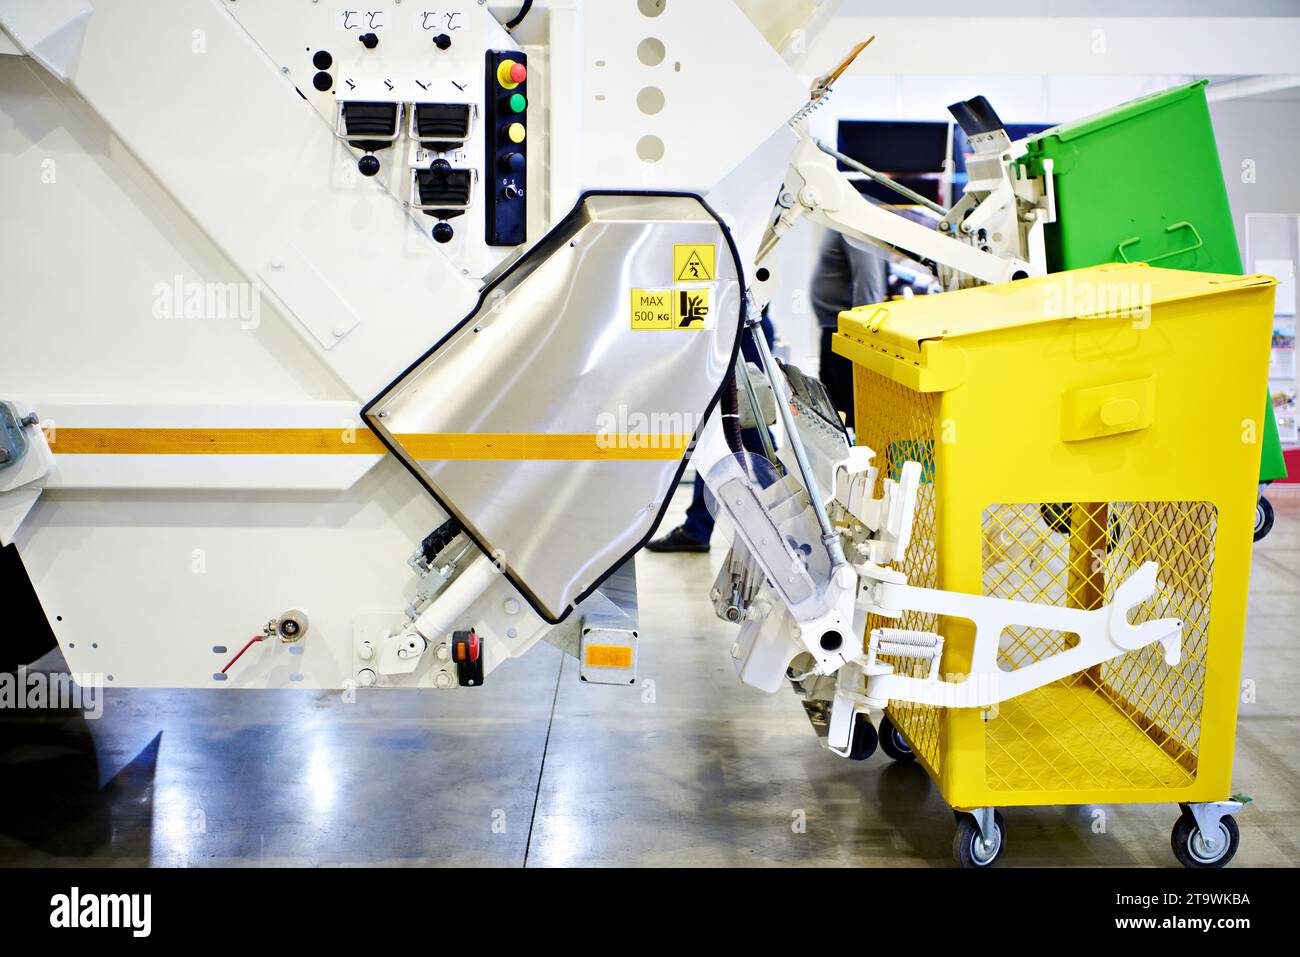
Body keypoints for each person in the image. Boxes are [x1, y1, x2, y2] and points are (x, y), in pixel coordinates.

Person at [646, 311, 774, 553]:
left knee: (748, 427)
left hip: (740, 329)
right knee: (717, 433)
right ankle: (698, 528)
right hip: (725, 329)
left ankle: (790, 518)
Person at [809, 229, 890, 430]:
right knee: (837, 412)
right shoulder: (838, 224)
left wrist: (861, 338)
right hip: (834, 329)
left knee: (851, 414)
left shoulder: (853, 227)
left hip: (846, 335)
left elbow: (868, 282)